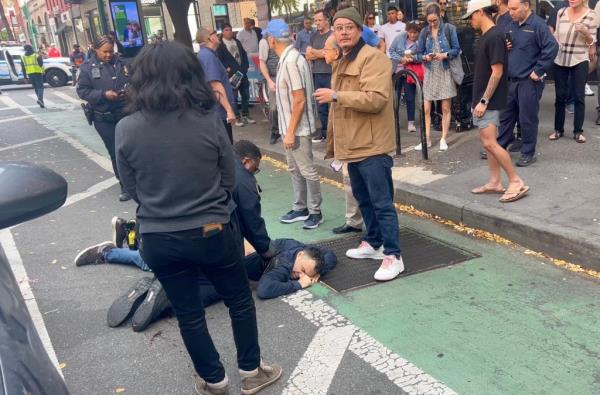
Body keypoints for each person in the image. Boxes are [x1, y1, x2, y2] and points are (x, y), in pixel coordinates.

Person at [115, 41, 282, 395]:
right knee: (238, 300)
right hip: (212, 228)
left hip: (159, 235)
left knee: (189, 313)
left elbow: (131, 187)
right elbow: (228, 178)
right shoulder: (208, 121)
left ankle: (214, 380)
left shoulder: (125, 128)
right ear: (190, 74)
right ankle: (251, 371)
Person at [315, 6, 405, 281]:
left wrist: (337, 96)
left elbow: (376, 99)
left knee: (381, 202)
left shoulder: (374, 58)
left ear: (359, 30)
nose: (343, 32)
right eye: (338, 27)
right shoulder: (342, 59)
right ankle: (374, 243)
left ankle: (393, 255)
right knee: (363, 199)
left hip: (372, 144)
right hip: (352, 144)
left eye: (348, 27)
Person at [464, 0, 529, 203]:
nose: (469, 21)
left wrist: (483, 101)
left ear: (480, 12)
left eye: (471, 16)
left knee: (490, 143)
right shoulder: (491, 35)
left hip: (488, 100)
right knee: (488, 143)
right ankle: (494, 182)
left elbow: (497, 71)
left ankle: (515, 180)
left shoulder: (493, 36)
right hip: (485, 99)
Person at [265, 19, 323, 230]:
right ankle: (300, 207)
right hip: (291, 127)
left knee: (306, 170)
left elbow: (299, 99)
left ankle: (315, 211)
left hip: (297, 128)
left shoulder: (290, 60)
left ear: (272, 39)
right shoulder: (289, 58)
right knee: (295, 169)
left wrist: (290, 132)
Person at [497, 0, 558, 167]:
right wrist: (505, 44)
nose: (511, 12)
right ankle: (499, 147)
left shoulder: (538, 25)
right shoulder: (510, 24)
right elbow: (505, 43)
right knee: (506, 117)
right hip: (511, 80)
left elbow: (552, 47)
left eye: (514, 8)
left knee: (527, 119)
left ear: (526, 6)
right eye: (509, 8)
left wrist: (538, 71)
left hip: (528, 82)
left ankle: (528, 152)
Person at [76, 35, 130, 202]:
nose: (108, 55)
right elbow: (82, 91)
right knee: (116, 151)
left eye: (110, 51)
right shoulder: (87, 68)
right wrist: (103, 95)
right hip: (104, 118)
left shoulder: (122, 63)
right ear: (95, 49)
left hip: (125, 113)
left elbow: (135, 81)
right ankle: (125, 185)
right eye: (104, 52)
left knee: (131, 148)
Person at [322, 36, 364, 235]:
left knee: (355, 181)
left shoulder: (345, 70)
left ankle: (358, 222)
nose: (324, 52)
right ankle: (353, 220)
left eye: (326, 49)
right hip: (344, 133)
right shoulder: (336, 70)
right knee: (350, 180)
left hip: (353, 135)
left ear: (336, 52)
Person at [549, 0, 597, 144]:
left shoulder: (591, 15)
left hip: (579, 59)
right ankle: (558, 130)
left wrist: (585, 32)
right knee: (560, 96)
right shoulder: (561, 12)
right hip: (561, 58)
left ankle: (578, 131)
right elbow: (556, 34)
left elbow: (591, 41)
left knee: (578, 96)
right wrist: (555, 42)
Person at [415, 2, 460, 151]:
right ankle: (426, 139)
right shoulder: (424, 32)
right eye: (429, 21)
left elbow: (456, 49)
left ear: (440, 15)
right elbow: (418, 54)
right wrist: (425, 57)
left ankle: (443, 138)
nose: (432, 23)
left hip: (445, 70)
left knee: (445, 107)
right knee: (426, 108)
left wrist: (445, 55)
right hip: (430, 71)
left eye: (434, 20)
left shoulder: (449, 29)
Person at [196, 27, 237, 143]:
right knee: (226, 148)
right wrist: (229, 110)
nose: (217, 34)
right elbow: (215, 86)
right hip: (219, 113)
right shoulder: (207, 56)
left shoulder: (209, 55)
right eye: (214, 32)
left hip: (218, 112)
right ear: (210, 38)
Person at [217, 23, 256, 127]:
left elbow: (244, 55)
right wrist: (227, 69)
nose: (229, 32)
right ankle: (237, 117)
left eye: (230, 29)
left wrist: (245, 68)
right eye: (226, 30)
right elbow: (219, 60)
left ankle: (246, 114)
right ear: (222, 32)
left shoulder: (237, 42)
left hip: (242, 73)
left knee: (246, 95)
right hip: (231, 76)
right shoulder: (220, 46)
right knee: (233, 97)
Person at [390, 22, 423, 133]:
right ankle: (394, 122)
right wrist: (401, 59)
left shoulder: (420, 42)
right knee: (395, 97)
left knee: (410, 97)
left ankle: (411, 122)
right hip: (397, 70)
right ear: (407, 31)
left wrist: (412, 58)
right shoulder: (400, 37)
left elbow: (421, 56)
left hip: (410, 72)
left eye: (415, 33)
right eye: (410, 32)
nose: (413, 35)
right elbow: (391, 51)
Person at [306, 9, 333, 143]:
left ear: (327, 20)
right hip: (316, 73)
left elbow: (328, 54)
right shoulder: (314, 36)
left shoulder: (332, 35)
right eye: (315, 20)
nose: (317, 23)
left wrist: (316, 53)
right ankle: (324, 132)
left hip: (330, 73)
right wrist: (320, 53)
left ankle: (334, 132)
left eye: (319, 20)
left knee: (333, 103)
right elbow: (307, 54)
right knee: (320, 106)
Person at [258, 33, 281, 145]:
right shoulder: (264, 42)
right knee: (273, 108)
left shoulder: (284, 39)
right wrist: (268, 80)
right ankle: (275, 131)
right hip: (273, 77)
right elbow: (262, 62)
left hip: (286, 76)